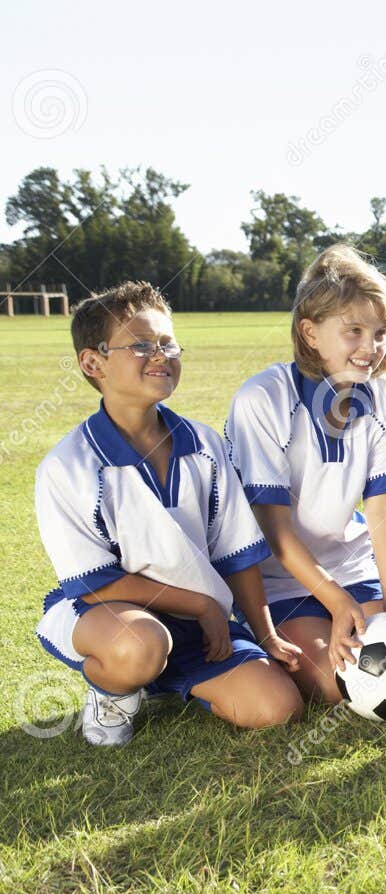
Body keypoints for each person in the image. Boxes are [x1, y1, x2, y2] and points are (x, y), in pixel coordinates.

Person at [35, 282, 302, 744]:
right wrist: (201, 604)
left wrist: (266, 635)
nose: (160, 355)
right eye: (141, 345)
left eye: (167, 343)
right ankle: (113, 689)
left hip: (200, 627)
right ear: (92, 363)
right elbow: (96, 584)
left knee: (278, 708)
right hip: (108, 617)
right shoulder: (67, 466)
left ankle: (163, 679)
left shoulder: (206, 446)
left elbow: (236, 554)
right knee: (140, 646)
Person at [226, 244, 386, 704]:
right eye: (354, 331)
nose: (371, 347)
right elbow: (274, 530)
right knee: (338, 684)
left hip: (351, 568)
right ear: (310, 332)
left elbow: (384, 504)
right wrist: (337, 603)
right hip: (277, 581)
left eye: (381, 332)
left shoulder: (383, 395)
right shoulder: (263, 398)